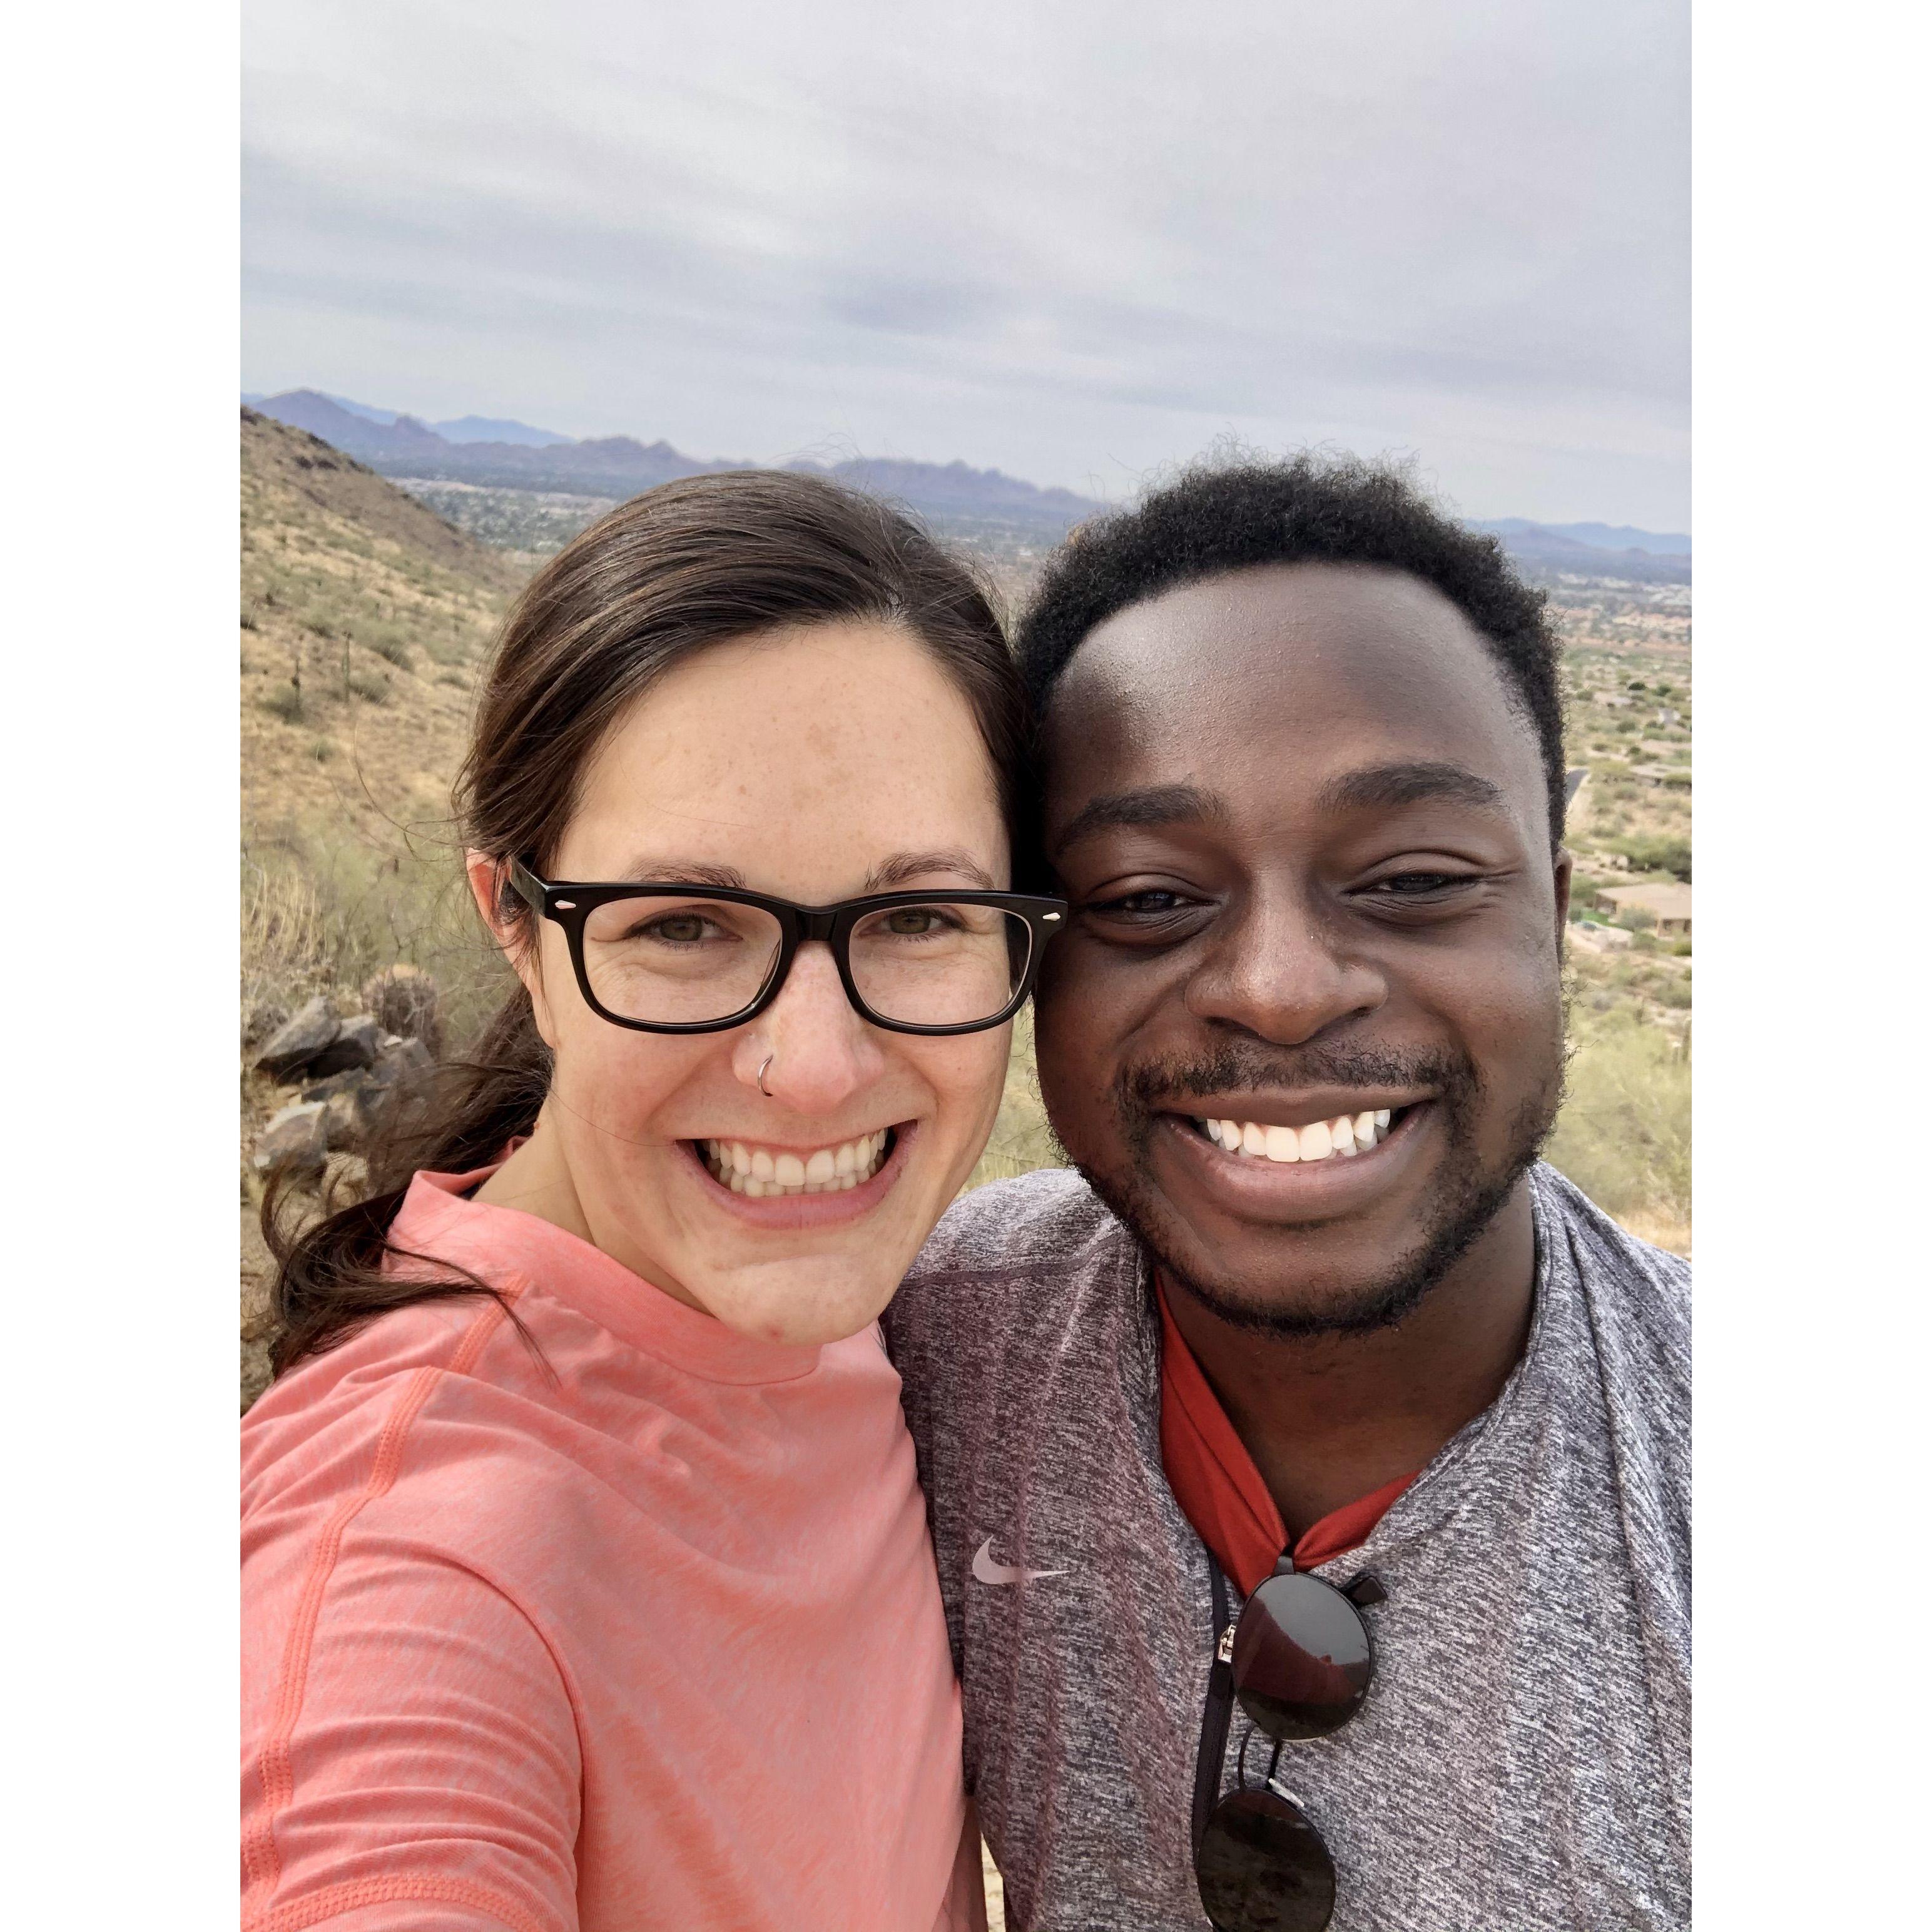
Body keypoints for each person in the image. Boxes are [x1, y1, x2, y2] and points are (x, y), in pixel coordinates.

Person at [241, 470, 1067, 1931]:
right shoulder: (409, 1559)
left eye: (920, 916)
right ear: (518, 926)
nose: (812, 1070)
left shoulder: (865, 1308)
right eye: (684, 923)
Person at [885, 455, 1691, 1932]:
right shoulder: (914, 1354)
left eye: (1408, 877)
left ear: (1555, 919)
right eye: (1142, 897)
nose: (1276, 987)